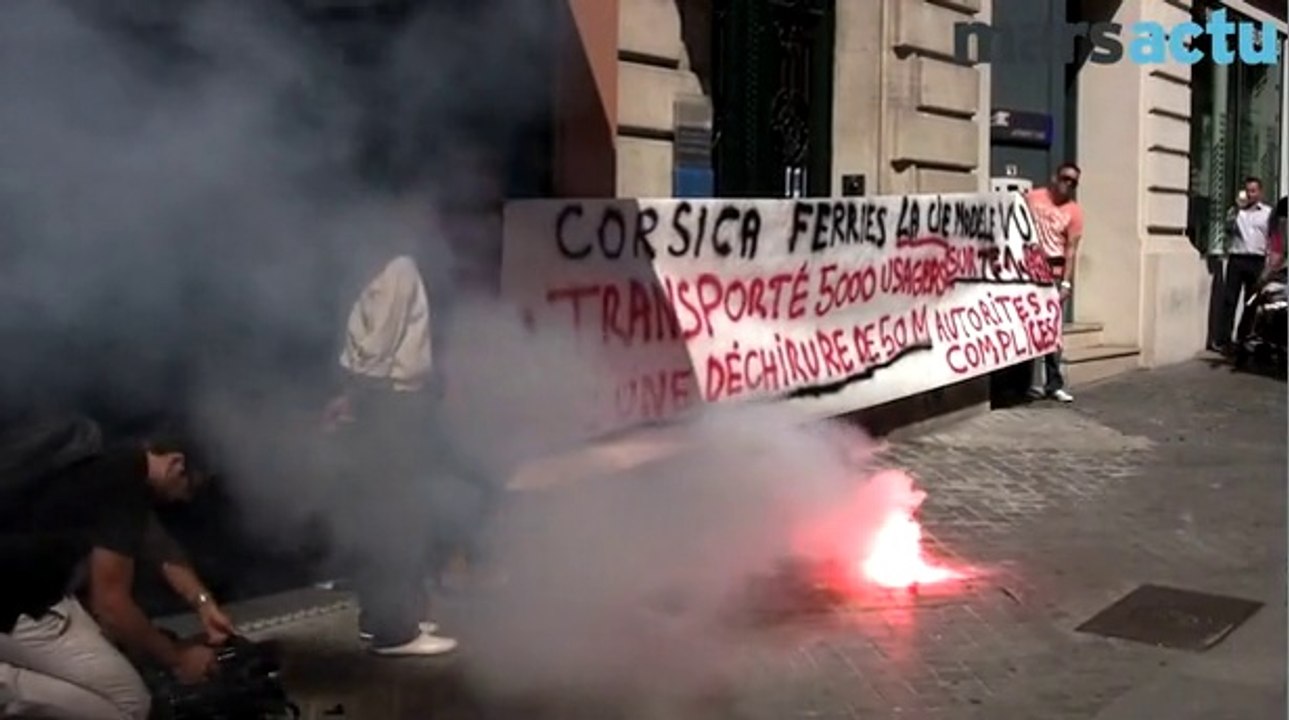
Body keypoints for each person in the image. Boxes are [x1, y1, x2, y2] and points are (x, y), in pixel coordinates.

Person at [0, 432, 234, 720]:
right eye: (190, 489)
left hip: (30, 590)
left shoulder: (115, 465)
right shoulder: (123, 490)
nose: (185, 500)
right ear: (176, 463)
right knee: (131, 706)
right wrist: (178, 659)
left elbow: (158, 546)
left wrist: (204, 604)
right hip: (19, 605)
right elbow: (111, 605)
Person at [321, 187, 458, 657]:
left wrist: (348, 398)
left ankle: (379, 617)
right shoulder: (399, 268)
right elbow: (378, 349)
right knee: (397, 517)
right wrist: (356, 398)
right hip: (395, 407)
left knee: (378, 512)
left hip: (377, 404)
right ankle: (395, 629)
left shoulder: (365, 271)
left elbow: (358, 347)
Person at [1025, 162, 1084, 403]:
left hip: (1055, 271)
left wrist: (1067, 283)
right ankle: (1030, 382)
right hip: (1028, 270)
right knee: (1029, 326)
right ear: (1055, 177)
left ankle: (1053, 383)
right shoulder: (1032, 197)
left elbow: (1071, 249)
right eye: (1065, 178)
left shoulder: (1075, 212)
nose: (1068, 184)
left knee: (1053, 330)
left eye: (1073, 182)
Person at [1217, 177, 1273, 352]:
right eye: (1248, 190)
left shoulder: (1268, 213)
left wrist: (1271, 262)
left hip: (1257, 260)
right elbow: (1226, 229)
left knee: (1251, 301)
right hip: (1237, 259)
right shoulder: (1236, 212)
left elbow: (1273, 238)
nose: (1250, 194)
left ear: (1260, 192)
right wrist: (1236, 209)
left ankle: (1243, 337)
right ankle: (1224, 340)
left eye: (1253, 190)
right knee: (1229, 300)